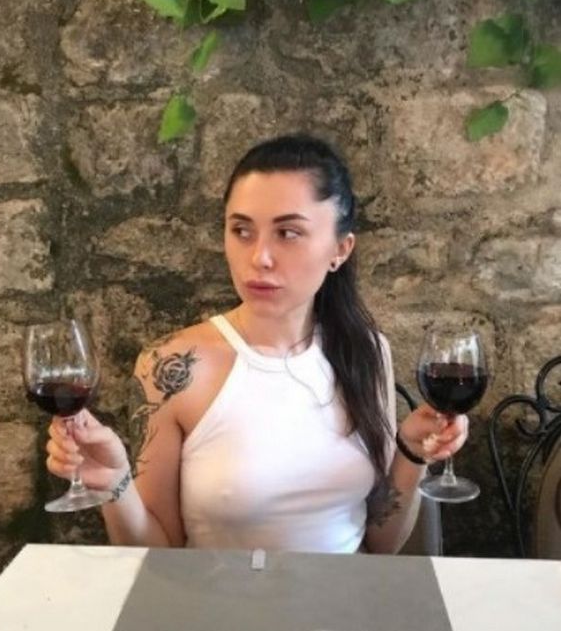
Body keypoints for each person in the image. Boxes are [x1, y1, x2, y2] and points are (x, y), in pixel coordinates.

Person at [46, 134, 467, 553]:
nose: (259, 257)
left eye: (288, 233)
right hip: (218, 595)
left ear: (340, 249)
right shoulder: (173, 366)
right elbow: (158, 553)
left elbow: (382, 544)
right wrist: (116, 484)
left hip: (341, 596)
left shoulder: (366, 352)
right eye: (242, 230)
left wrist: (412, 452)